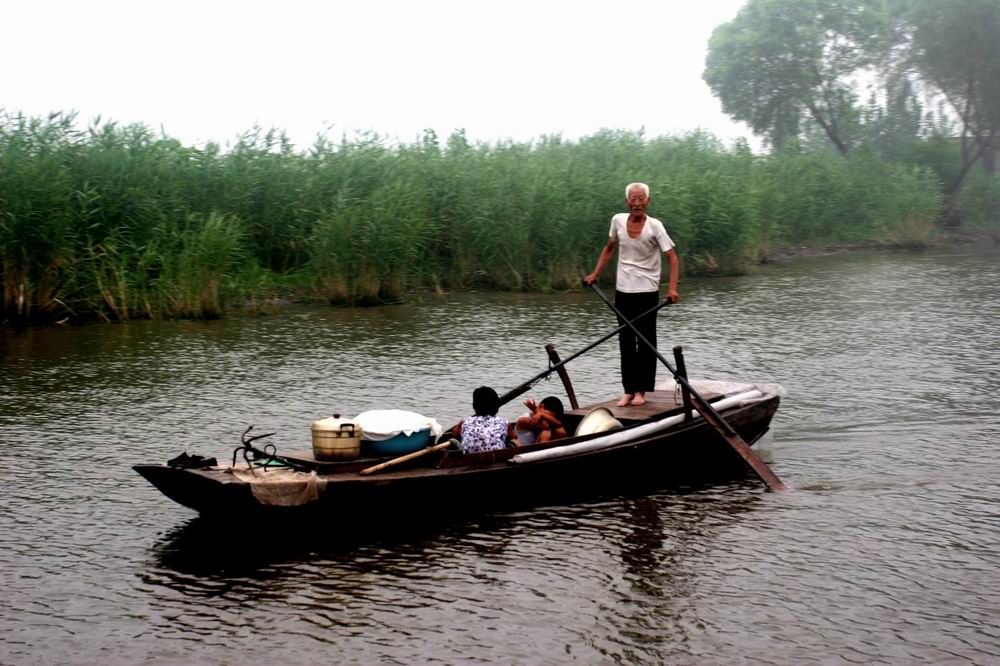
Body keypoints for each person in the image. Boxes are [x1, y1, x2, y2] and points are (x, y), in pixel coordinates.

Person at [583, 182, 680, 408]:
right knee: (626, 340)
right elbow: (609, 248)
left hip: (647, 290)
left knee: (645, 341)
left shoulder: (655, 226)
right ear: (627, 202)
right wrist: (595, 273)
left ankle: (641, 391)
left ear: (648, 202)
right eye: (633, 199)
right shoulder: (617, 221)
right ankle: (628, 390)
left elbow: (673, 258)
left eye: (641, 199)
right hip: (623, 290)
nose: (637, 203)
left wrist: (672, 288)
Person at [455, 386, 512, 453]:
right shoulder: (504, 422)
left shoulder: (465, 422)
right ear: (497, 407)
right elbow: (514, 436)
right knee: (514, 441)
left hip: (469, 458)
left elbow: (455, 433)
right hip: (496, 457)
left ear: (474, 406)